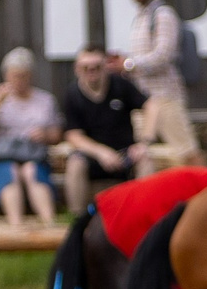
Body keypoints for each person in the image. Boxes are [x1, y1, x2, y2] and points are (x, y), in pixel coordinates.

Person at [122, 0, 199, 169]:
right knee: (144, 156)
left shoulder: (163, 14)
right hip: (143, 100)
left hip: (165, 96)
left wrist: (129, 64)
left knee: (186, 152)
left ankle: (202, 186)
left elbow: (164, 54)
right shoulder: (139, 18)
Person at [0, 47, 60, 227]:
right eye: (15, 76)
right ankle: (16, 226)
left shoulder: (45, 100)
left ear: (31, 75)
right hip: (0, 156)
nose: (19, 80)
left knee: (32, 171)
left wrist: (44, 135)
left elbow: (57, 134)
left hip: (33, 155)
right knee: (10, 170)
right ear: (6, 75)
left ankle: (49, 223)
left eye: (23, 76)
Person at [60, 44, 145, 212]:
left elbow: (151, 106)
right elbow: (73, 135)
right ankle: (77, 217)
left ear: (105, 66)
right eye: (86, 68)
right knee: (75, 163)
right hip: (92, 155)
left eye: (97, 67)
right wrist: (101, 152)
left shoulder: (121, 85)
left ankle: (143, 212)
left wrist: (144, 141)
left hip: (125, 153)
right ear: (77, 69)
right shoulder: (72, 94)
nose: (91, 71)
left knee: (145, 158)